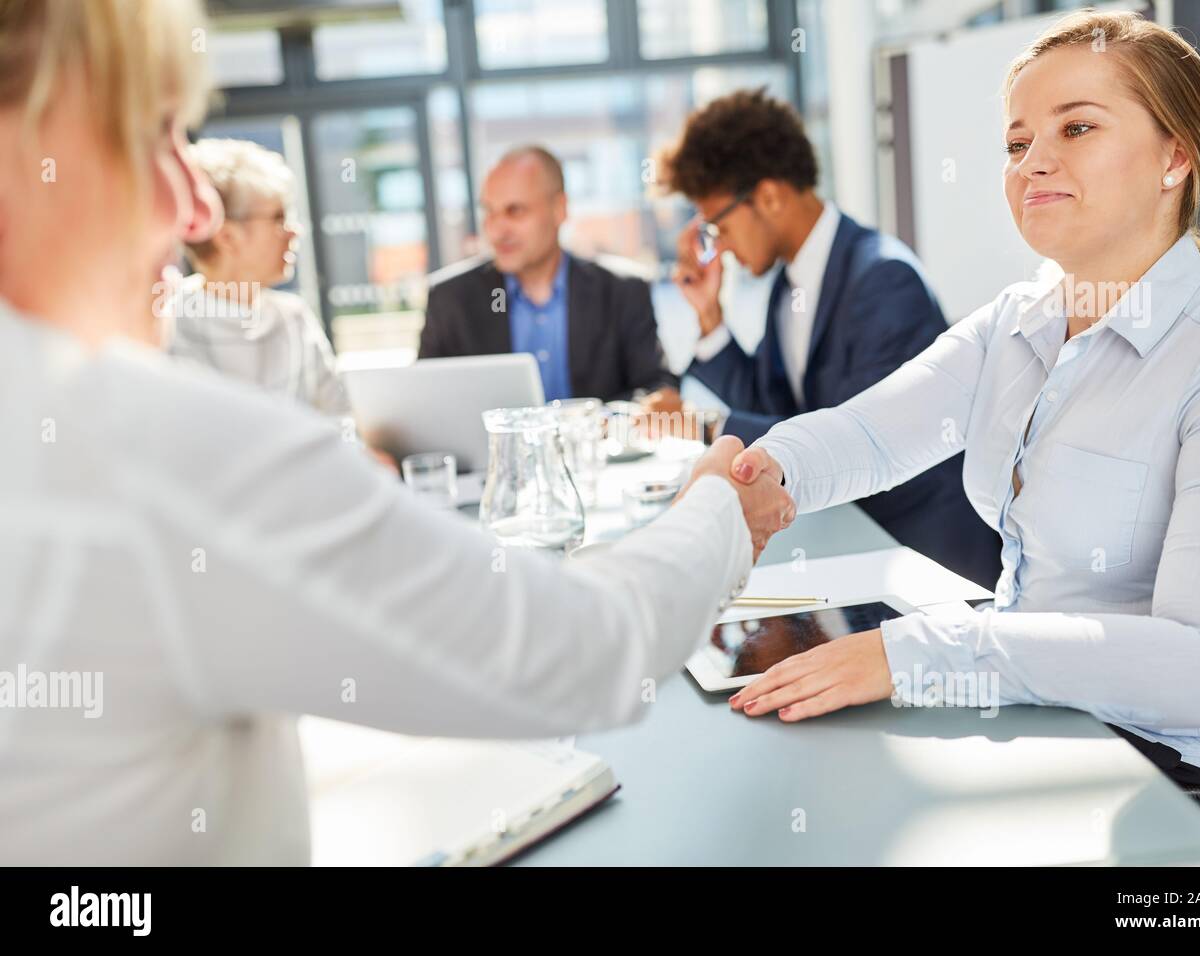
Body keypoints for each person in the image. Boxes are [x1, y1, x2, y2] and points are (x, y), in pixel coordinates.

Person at [0, 0, 793, 864]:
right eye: (152, 132)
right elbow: (587, 652)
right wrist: (718, 509)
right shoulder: (150, 445)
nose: (196, 212)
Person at [725, 11, 1200, 812]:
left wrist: (922, 652)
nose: (1035, 163)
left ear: (1175, 156)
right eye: (1018, 142)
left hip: (1182, 785)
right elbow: (872, 434)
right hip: (1041, 739)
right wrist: (767, 469)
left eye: (1077, 128)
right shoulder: (1019, 318)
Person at [661, 89, 1003, 589]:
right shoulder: (788, 284)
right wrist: (710, 316)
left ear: (770, 195)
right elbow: (771, 405)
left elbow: (859, 442)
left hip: (924, 563)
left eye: (719, 226)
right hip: (849, 549)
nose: (720, 246)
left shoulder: (882, 278)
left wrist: (704, 426)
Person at [420, 144, 680, 406]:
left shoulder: (622, 291)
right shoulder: (450, 299)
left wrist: (600, 421)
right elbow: (421, 398)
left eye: (515, 211)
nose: (496, 231)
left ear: (559, 209)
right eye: (489, 211)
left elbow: (657, 388)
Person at [168, 137, 351, 418]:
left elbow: (342, 419)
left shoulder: (294, 317)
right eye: (279, 218)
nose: (294, 231)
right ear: (227, 236)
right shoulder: (168, 327)